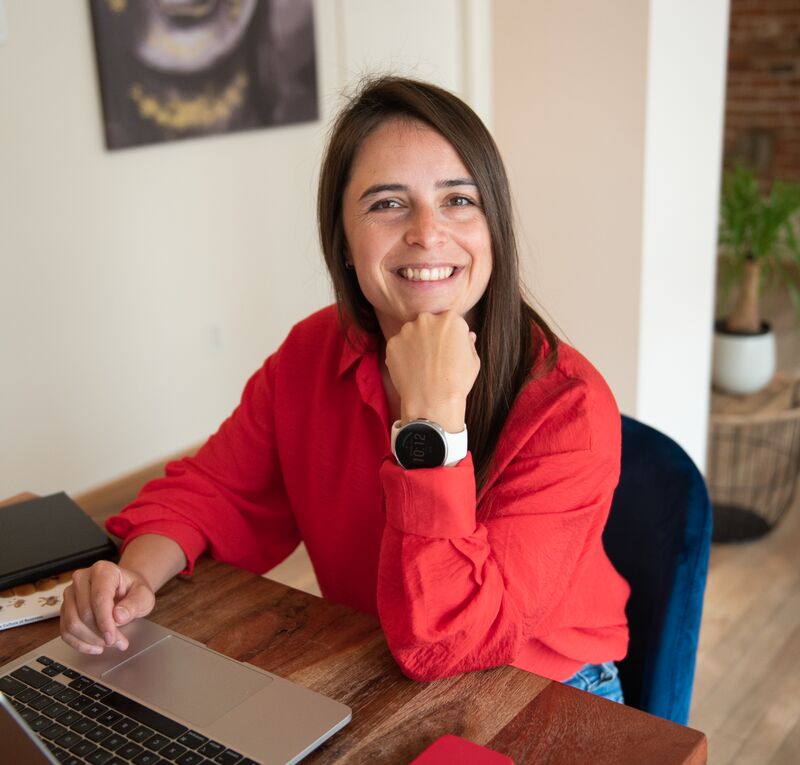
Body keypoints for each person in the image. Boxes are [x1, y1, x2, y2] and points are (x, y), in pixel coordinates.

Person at [60, 75, 630, 701]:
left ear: (494, 225)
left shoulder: (569, 407)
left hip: (546, 691)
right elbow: (216, 488)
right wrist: (132, 577)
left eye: (458, 200)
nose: (426, 232)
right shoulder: (313, 351)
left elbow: (452, 640)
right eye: (387, 203)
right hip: (384, 662)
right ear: (346, 245)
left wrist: (432, 420)